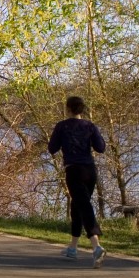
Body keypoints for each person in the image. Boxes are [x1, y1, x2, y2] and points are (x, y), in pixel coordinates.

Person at [47, 95, 107, 268]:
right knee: (78, 206)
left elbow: (52, 149)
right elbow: (101, 148)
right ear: (82, 109)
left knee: (84, 206)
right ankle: (72, 248)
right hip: (90, 171)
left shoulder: (62, 126)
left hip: (74, 170)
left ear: (68, 108)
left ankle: (96, 247)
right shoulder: (90, 126)